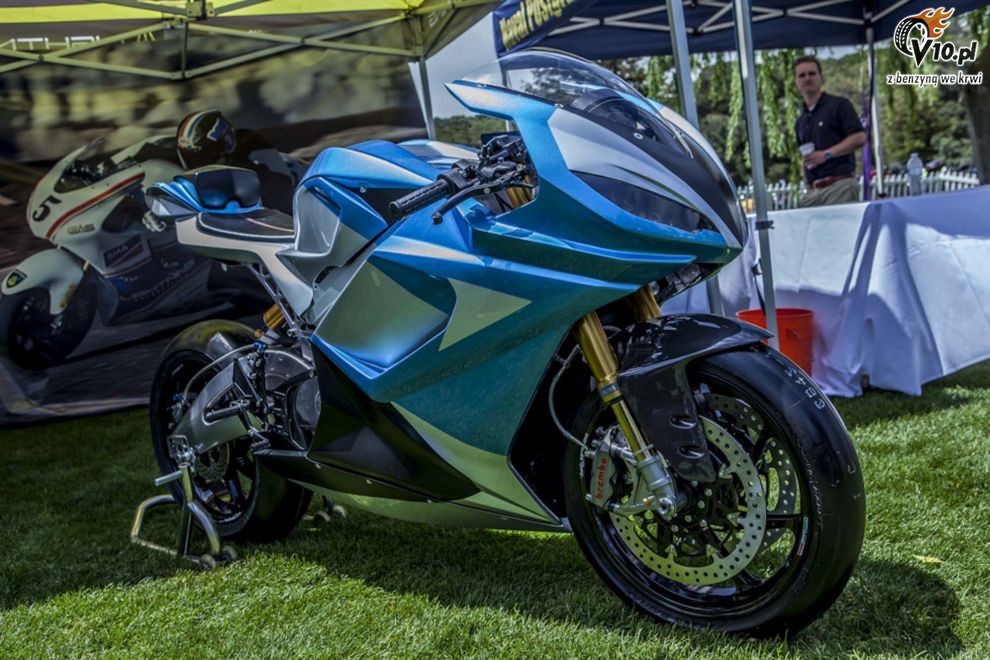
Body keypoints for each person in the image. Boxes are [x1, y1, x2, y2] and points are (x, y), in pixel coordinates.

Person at [793, 56, 867, 207]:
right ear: (796, 82)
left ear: (821, 77)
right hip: (813, 190)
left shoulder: (838, 105)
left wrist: (826, 154)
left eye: (812, 73)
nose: (807, 78)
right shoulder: (801, 120)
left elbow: (859, 137)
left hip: (839, 185)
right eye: (802, 75)